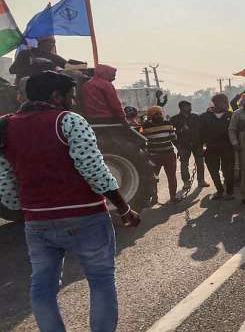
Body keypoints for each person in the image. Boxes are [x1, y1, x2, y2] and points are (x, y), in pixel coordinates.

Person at [0, 71, 140, 332]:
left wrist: (28, 211)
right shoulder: (68, 120)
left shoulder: (6, 125)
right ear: (56, 96)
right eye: (70, 97)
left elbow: (6, 181)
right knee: (100, 280)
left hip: (37, 222)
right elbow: (94, 170)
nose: (73, 102)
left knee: (43, 286)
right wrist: (124, 207)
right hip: (85, 216)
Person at [199, 94, 235, 200]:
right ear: (216, 103)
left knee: (228, 170)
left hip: (228, 147)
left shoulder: (231, 115)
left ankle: (229, 192)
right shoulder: (204, 117)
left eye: (227, 101)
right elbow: (199, 133)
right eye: (224, 102)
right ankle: (219, 190)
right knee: (213, 170)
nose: (227, 104)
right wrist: (200, 147)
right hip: (211, 148)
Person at [141, 106, 179, 203]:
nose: (158, 115)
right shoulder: (144, 127)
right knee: (153, 178)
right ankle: (154, 197)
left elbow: (174, 138)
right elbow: (141, 140)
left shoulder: (169, 123)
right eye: (155, 114)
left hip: (169, 155)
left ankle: (173, 197)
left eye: (159, 113)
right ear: (150, 116)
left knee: (172, 177)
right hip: (154, 156)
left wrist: (179, 149)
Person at [170, 101, 209, 191]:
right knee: (184, 164)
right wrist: (178, 147)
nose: (190, 108)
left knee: (200, 163)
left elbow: (202, 130)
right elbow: (172, 135)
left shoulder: (196, 117)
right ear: (181, 108)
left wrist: (203, 144)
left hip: (197, 144)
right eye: (188, 107)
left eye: (190, 106)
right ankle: (186, 182)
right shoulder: (174, 119)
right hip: (183, 145)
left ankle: (201, 180)